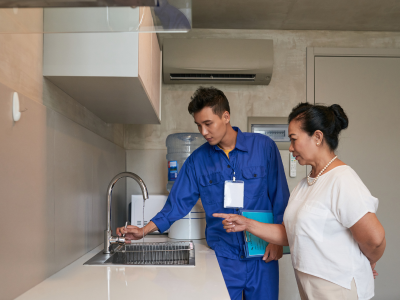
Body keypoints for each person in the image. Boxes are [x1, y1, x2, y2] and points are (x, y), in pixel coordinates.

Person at [117, 87, 290, 300]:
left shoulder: (264, 147)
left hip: (263, 253)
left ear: (226, 116)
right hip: (223, 259)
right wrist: (144, 230)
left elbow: (280, 197)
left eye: (208, 124)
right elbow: (176, 205)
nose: (203, 132)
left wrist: (277, 240)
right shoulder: (197, 161)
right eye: (199, 125)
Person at [214, 103, 386, 300]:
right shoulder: (305, 185)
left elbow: (375, 239)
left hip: (339, 288)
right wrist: (247, 224)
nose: (291, 147)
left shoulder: (342, 179)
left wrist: (369, 261)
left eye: (294, 139)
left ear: (318, 137)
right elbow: (291, 233)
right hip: (311, 288)